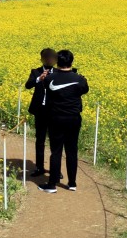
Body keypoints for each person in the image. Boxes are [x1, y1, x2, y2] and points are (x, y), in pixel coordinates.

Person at [38, 49, 89, 194]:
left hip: (56, 119)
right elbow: (84, 90)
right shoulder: (80, 79)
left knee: (56, 151)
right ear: (71, 62)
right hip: (73, 119)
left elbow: (46, 87)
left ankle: (52, 184)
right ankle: (72, 183)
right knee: (72, 150)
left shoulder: (49, 79)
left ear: (57, 62)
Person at [24, 48, 57, 178]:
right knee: (40, 140)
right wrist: (38, 78)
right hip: (40, 111)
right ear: (41, 59)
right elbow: (28, 85)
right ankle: (39, 167)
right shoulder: (35, 71)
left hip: (54, 111)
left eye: (51, 58)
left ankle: (55, 169)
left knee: (55, 142)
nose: (49, 60)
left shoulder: (59, 73)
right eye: (46, 57)